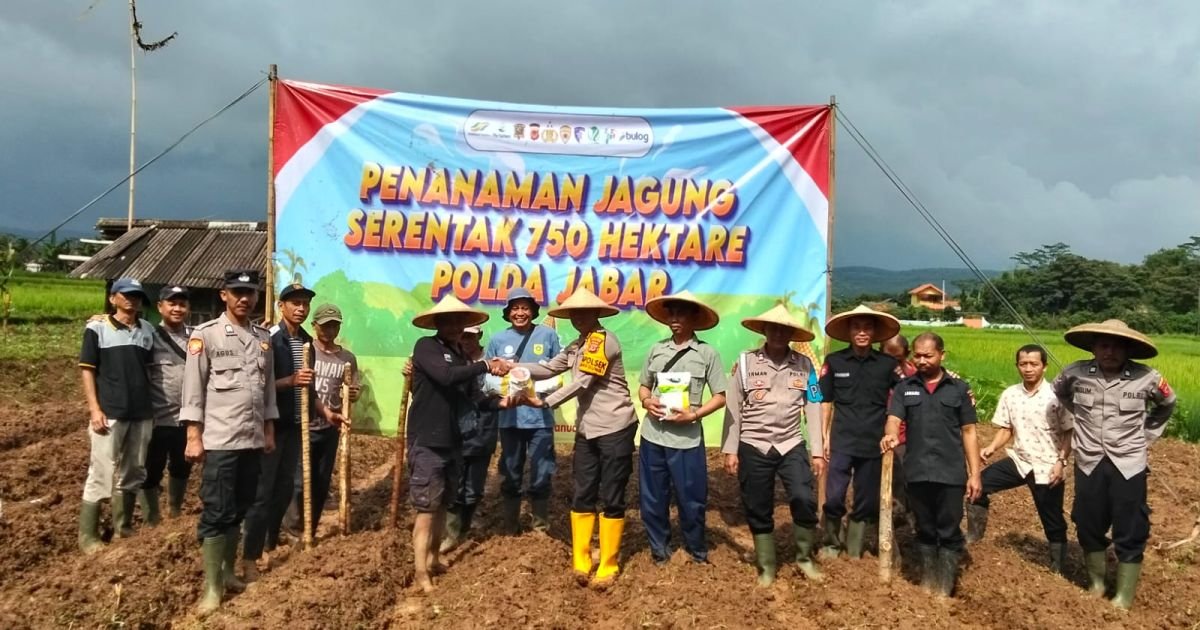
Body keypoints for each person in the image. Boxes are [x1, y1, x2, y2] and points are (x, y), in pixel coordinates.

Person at [514, 287, 637, 588]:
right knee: (582, 492)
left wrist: (544, 402)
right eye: (573, 314)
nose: (578, 318)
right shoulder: (576, 344)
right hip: (587, 429)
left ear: (596, 314)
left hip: (615, 427)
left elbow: (582, 382)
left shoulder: (604, 341)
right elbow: (548, 367)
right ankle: (581, 561)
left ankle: (608, 565)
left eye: (584, 312)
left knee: (611, 494)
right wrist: (512, 367)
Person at [1052, 319, 1175, 610]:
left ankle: (1123, 596)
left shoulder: (1146, 377)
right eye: (1104, 345)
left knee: (1130, 527)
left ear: (1128, 349)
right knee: (1087, 522)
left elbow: (1167, 403)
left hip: (1129, 462)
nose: (1110, 351)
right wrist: (1081, 419)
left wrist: (1146, 436)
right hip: (1089, 460)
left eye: (1117, 346)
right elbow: (1061, 394)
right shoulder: (1075, 374)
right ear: (1093, 347)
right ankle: (1096, 584)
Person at [179, 269, 278, 614]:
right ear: (224, 294)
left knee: (239, 507)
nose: (244, 298)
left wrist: (268, 430)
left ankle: (228, 571)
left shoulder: (263, 338)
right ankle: (212, 587)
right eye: (237, 292)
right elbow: (193, 388)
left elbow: (266, 392)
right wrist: (194, 435)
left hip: (251, 440)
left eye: (249, 292)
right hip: (220, 440)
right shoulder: (206, 337)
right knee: (217, 511)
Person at [408, 296, 510, 593]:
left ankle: (434, 557)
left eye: (459, 322)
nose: (454, 327)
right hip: (427, 439)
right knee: (426, 508)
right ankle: (420, 572)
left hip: (453, 442)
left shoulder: (461, 355)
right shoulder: (426, 348)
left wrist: (504, 402)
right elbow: (445, 376)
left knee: (442, 504)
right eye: (448, 321)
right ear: (438, 323)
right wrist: (485, 366)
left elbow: (475, 398)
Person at [721, 304, 826, 586]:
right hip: (753, 444)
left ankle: (804, 557)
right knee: (757, 503)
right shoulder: (745, 363)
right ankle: (766, 566)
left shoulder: (805, 366)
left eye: (784, 329)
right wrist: (731, 449)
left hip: (790, 443)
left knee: (804, 497)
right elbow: (734, 406)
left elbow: (813, 407)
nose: (779, 333)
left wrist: (817, 451)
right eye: (773, 328)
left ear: (792, 334)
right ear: (764, 331)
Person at [242, 282, 338, 579]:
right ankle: (251, 553)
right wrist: (289, 380)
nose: (300, 308)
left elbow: (308, 388)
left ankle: (269, 543)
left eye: (304, 304)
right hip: (273, 424)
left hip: (299, 426)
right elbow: (257, 384)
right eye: (294, 302)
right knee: (263, 490)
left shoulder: (307, 341)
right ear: (280, 306)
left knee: (284, 489)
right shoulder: (269, 338)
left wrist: (325, 412)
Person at [881, 332, 981, 598]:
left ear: (942, 355)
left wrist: (975, 474)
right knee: (924, 527)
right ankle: (928, 579)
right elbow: (894, 418)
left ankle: (944, 585)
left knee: (948, 529)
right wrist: (890, 433)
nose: (922, 360)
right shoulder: (905, 387)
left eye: (929, 355)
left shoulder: (959, 389)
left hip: (950, 472)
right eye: (918, 355)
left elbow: (969, 431)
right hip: (917, 471)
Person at [637, 291, 727, 565]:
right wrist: (647, 400)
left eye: (681, 314)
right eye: (671, 314)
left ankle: (696, 551)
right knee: (652, 497)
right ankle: (659, 550)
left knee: (692, 499)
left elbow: (721, 396)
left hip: (686, 440)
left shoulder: (706, 353)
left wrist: (694, 415)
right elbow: (643, 385)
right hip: (653, 436)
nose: (675, 319)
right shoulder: (657, 349)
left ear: (694, 318)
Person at [967, 344, 1072, 574]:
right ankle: (974, 540)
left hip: (1047, 464)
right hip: (1020, 460)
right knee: (977, 487)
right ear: (1017, 366)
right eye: (1023, 364)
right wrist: (991, 447)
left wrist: (1061, 462)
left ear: (1044, 367)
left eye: (1033, 364)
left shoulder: (1056, 396)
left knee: (1051, 518)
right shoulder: (1011, 394)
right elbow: (1007, 429)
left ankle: (1057, 567)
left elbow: (1068, 432)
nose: (1028, 369)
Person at [817, 305, 901, 560]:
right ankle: (831, 543)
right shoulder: (835, 362)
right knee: (833, 497)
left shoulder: (888, 365)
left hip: (873, 444)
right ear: (849, 332)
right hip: (842, 440)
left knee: (866, 501)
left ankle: (854, 549)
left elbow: (909, 390)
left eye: (867, 328)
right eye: (857, 327)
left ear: (875, 334)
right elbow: (825, 400)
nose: (862, 332)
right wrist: (824, 436)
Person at [77, 277, 155, 552]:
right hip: (110, 412)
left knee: (133, 470)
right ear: (113, 298)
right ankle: (88, 536)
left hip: (141, 412)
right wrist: (94, 409)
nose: (131, 300)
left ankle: (123, 527)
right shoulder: (97, 328)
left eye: (136, 296)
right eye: (125, 295)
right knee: (101, 471)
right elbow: (88, 369)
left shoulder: (147, 330)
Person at [485, 287, 562, 534]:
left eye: (525, 308)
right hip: (510, 419)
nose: (520, 313)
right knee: (510, 471)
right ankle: (510, 526)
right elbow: (486, 377)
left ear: (533, 311)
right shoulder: (497, 340)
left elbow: (558, 371)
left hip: (540, 419)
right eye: (515, 308)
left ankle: (540, 525)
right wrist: (503, 394)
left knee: (542, 470)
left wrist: (540, 394)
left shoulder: (547, 335)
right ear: (508, 313)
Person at [293, 303, 357, 539]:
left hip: (330, 428)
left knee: (320, 482)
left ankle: (310, 527)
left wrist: (352, 393)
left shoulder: (347, 358)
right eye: (325, 326)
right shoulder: (306, 352)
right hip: (304, 425)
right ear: (314, 326)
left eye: (334, 326)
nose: (330, 331)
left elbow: (353, 388)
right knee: (299, 482)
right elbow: (304, 387)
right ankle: (293, 528)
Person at [440, 325, 500, 551]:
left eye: (470, 336)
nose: (465, 340)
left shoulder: (491, 360)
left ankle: (464, 527)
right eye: (462, 335)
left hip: (484, 427)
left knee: (474, 485)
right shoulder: (450, 361)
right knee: (454, 482)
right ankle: (451, 533)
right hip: (456, 429)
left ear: (479, 336)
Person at [140, 285, 195, 524]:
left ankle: (174, 511)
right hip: (159, 418)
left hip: (187, 418)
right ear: (160, 307)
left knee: (182, 467)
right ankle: (151, 518)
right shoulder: (148, 336)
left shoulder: (196, 336)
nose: (177, 308)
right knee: (151, 469)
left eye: (182, 304)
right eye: (172, 303)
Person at [880, 334, 916, 526]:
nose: (893, 364)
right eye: (888, 358)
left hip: (905, 436)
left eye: (898, 359)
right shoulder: (875, 372)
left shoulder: (914, 374)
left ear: (907, 355)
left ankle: (907, 518)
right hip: (881, 434)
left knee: (906, 479)